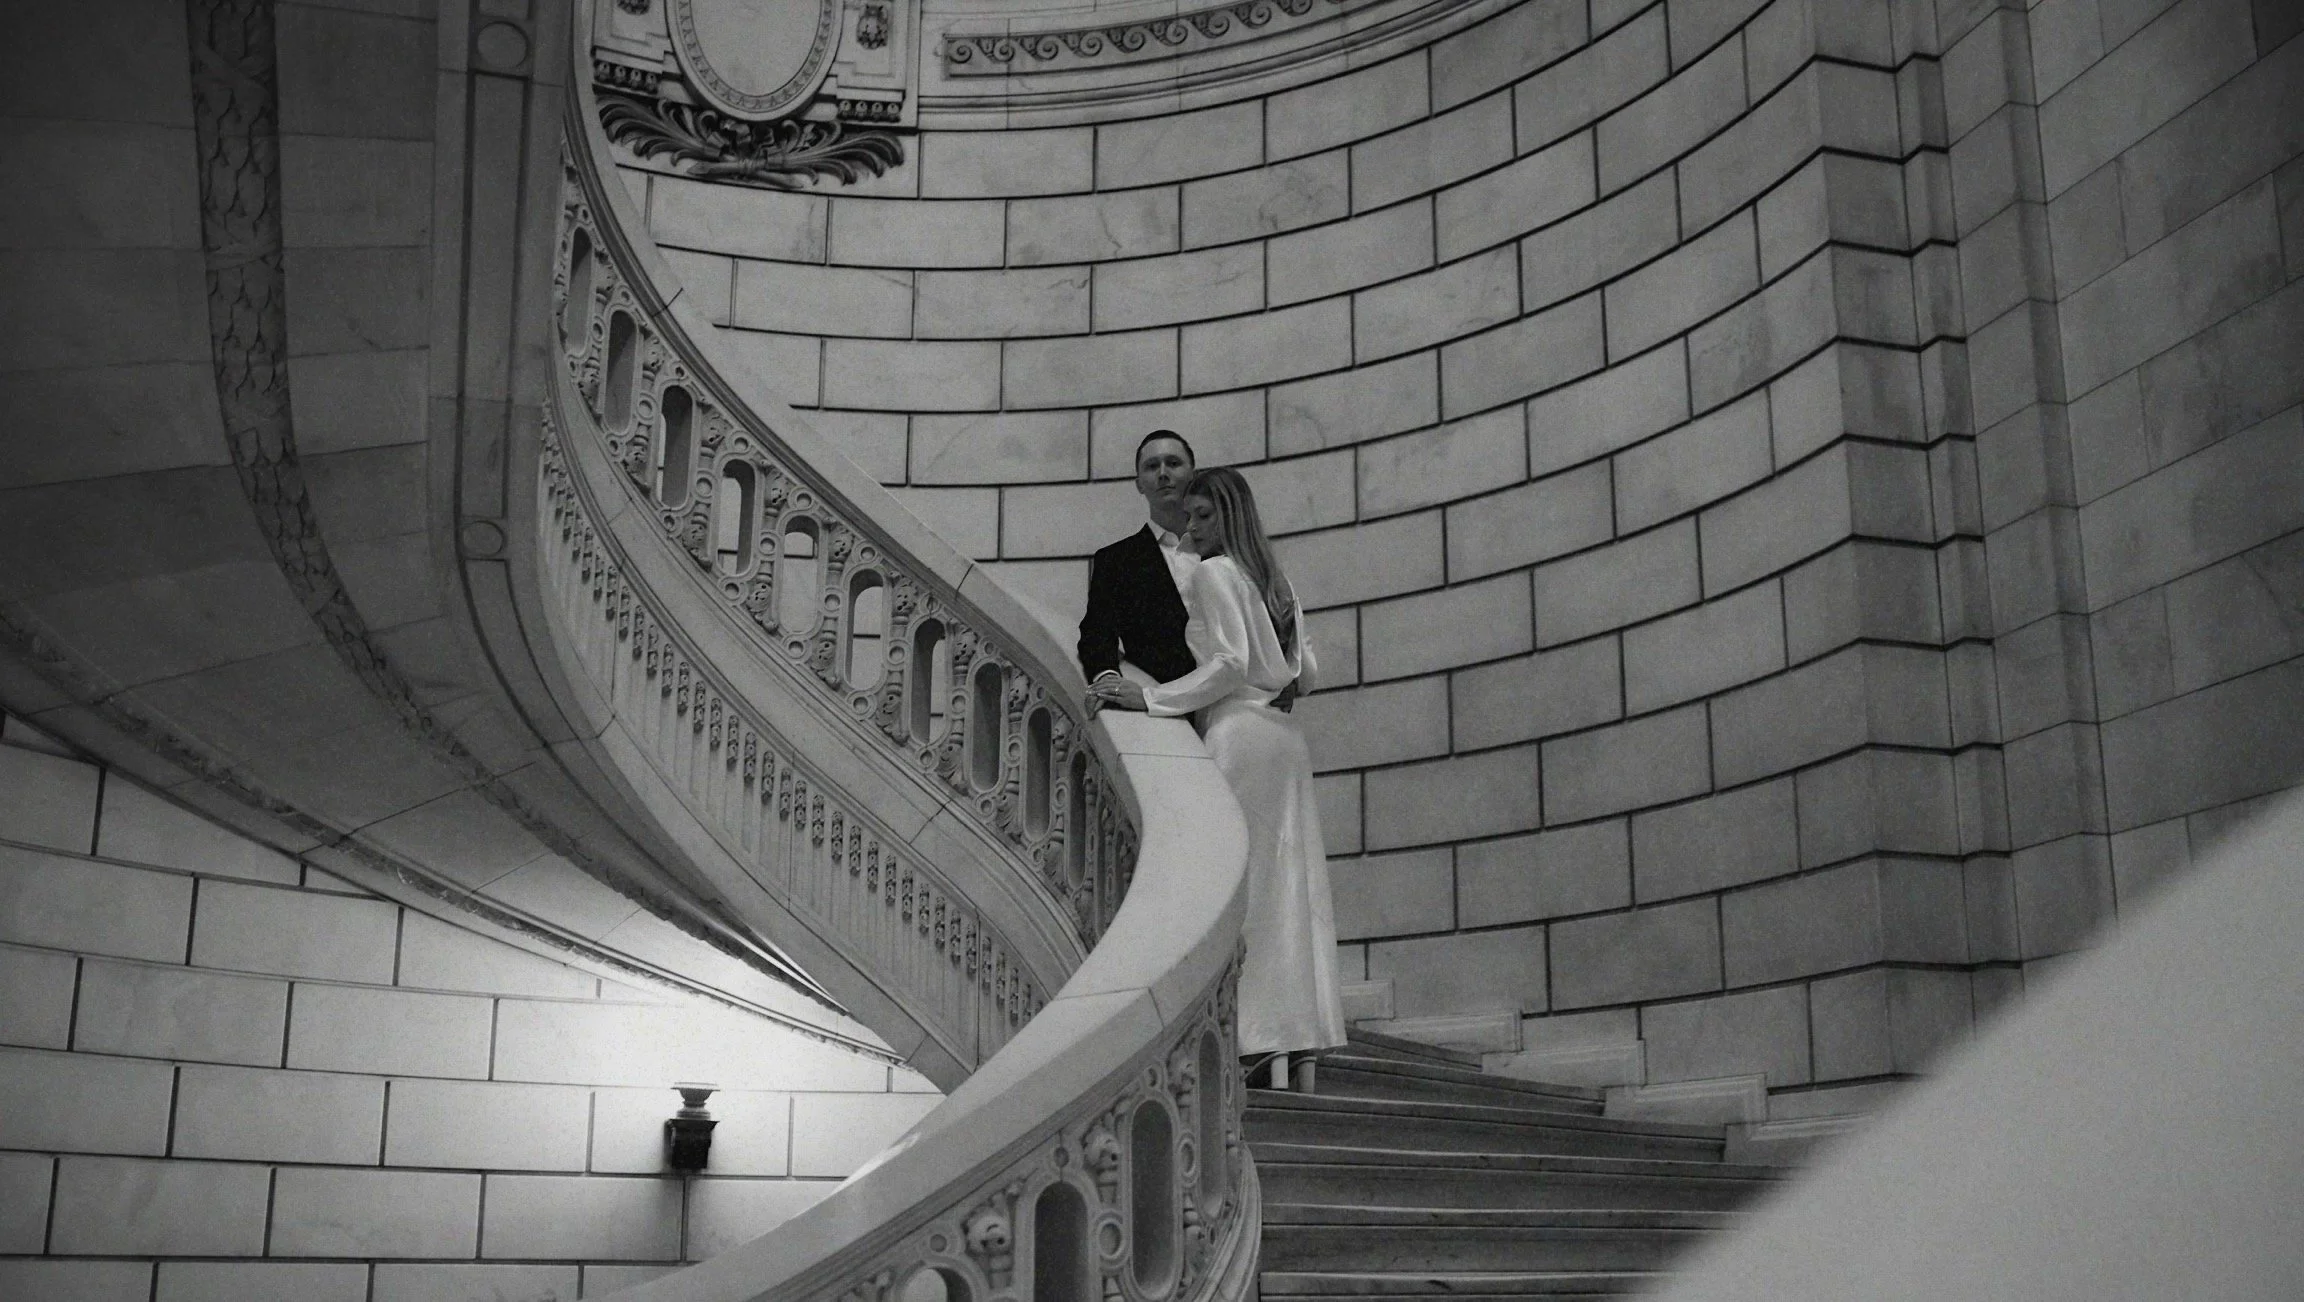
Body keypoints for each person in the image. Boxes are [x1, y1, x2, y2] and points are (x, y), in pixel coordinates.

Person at [1089, 468, 1346, 1092]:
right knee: (1292, 886)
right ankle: (1298, 1046)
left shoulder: (1213, 573)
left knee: (1242, 887)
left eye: (1205, 516)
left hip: (1237, 732)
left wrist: (1148, 699)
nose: (1192, 526)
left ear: (1230, 517)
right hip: (1284, 740)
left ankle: (1256, 1043)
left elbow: (1227, 664)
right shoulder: (1275, 580)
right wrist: (1277, 679)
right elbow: (1306, 674)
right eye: (1192, 515)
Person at [1078, 430, 1201, 691]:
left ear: (1194, 474)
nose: (1163, 473)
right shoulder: (1116, 561)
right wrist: (1107, 679)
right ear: (1138, 484)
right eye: (1152, 466)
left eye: (1174, 463)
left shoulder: (1227, 548)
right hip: (1164, 720)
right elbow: (1096, 634)